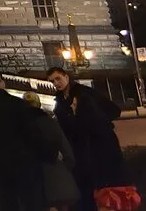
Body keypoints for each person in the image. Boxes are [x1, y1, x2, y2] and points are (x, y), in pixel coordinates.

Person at [47, 67, 134, 211]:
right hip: (78, 149)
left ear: (66, 77)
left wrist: (94, 121)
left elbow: (113, 110)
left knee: (99, 187)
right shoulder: (60, 100)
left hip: (94, 147)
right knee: (86, 189)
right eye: (52, 81)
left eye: (58, 79)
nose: (56, 83)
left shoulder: (84, 94)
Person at [0, 66, 52, 210]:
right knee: (32, 203)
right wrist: (48, 154)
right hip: (25, 164)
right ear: (0, 80)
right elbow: (32, 134)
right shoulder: (17, 104)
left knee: (7, 204)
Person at [23, 91, 80, 210]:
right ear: (38, 104)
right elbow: (64, 146)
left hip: (31, 175)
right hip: (55, 171)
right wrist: (68, 164)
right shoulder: (49, 121)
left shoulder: (20, 124)